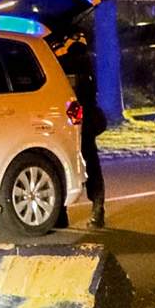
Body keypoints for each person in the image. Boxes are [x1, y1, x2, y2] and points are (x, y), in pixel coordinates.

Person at [55, 33, 107, 228]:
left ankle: (64, 213)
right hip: (80, 113)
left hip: (73, 113)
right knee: (87, 160)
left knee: (66, 159)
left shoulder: (68, 54)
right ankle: (97, 208)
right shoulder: (85, 55)